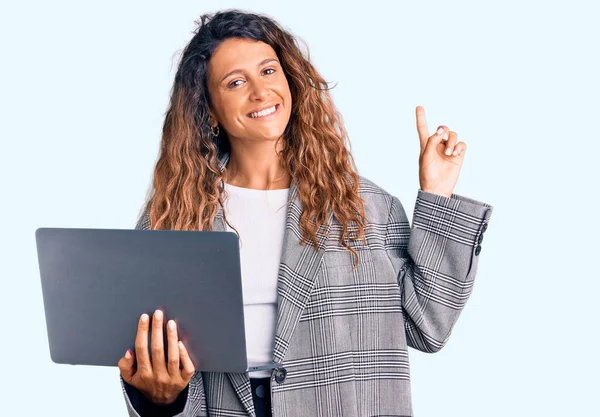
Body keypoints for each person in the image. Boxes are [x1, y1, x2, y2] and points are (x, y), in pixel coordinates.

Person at [117, 9, 493, 417]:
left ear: (289, 81)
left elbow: (428, 324)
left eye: (268, 71)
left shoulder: (362, 206)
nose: (260, 92)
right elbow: (153, 358)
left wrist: (437, 194)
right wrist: (162, 397)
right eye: (236, 82)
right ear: (208, 110)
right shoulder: (172, 218)